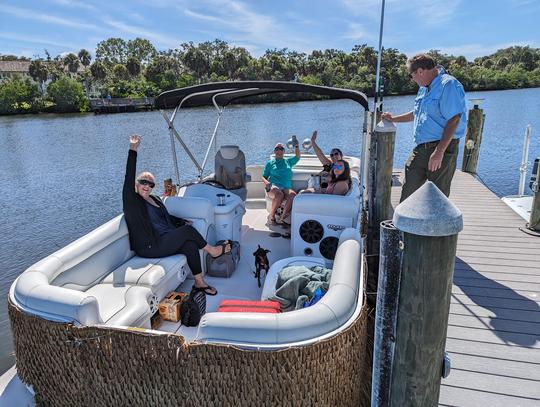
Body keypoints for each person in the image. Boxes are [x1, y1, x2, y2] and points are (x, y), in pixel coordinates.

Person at [123, 134, 230, 296]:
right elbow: (128, 175)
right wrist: (133, 149)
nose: (146, 186)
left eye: (150, 184)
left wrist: (181, 222)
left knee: (190, 245)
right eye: (143, 182)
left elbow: (164, 218)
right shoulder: (133, 202)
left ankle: (199, 283)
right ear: (136, 184)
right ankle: (213, 251)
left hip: (163, 239)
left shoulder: (155, 199)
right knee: (187, 233)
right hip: (149, 247)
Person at [381, 53, 466, 202]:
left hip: (442, 148)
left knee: (437, 197)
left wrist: (439, 151)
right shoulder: (424, 88)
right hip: (421, 148)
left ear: (420, 71)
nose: (411, 79)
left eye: (411, 75)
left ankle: (435, 225)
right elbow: (416, 113)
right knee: (409, 191)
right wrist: (393, 118)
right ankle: (404, 224)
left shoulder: (448, 85)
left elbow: (454, 119)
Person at [262, 137, 301, 226]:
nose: (279, 150)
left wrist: (297, 146)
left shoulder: (288, 161)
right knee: (279, 194)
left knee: (293, 195)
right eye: (277, 149)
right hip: (273, 187)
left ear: (284, 151)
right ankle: (272, 217)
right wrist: (266, 183)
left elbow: (298, 157)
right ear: (274, 151)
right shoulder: (270, 163)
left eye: (281, 149)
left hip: (286, 187)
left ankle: (283, 218)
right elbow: (263, 177)